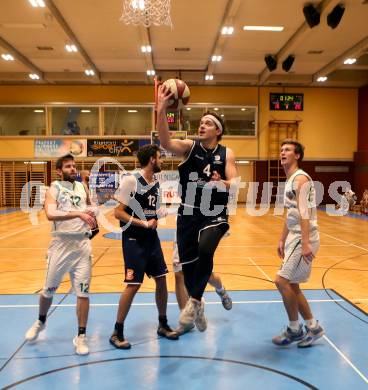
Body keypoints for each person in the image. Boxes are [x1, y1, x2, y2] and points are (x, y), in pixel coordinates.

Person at [156, 84, 238, 333]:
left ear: (218, 130)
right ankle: (199, 304)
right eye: (200, 122)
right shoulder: (190, 147)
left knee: (206, 249)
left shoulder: (226, 153)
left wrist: (221, 182)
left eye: (207, 123)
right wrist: (161, 111)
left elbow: (234, 184)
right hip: (188, 213)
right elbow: (166, 141)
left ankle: (193, 303)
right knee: (189, 270)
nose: (201, 126)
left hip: (214, 212)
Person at [25, 154, 97, 355]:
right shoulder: (54, 188)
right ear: (59, 171)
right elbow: (51, 214)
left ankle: (81, 336)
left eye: (74, 166)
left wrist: (93, 212)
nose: (73, 169)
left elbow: (90, 206)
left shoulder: (82, 186)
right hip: (61, 244)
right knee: (48, 290)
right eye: (68, 166)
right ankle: (41, 321)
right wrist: (79, 214)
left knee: (83, 292)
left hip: (82, 244)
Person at [110, 144, 179, 349]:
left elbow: (155, 212)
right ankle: (117, 331)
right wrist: (143, 223)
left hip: (151, 239)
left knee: (161, 280)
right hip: (133, 239)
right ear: (152, 159)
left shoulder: (155, 183)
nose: (163, 161)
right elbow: (118, 213)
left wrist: (177, 209)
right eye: (161, 157)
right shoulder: (131, 180)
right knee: (133, 284)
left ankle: (163, 324)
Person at [272, 140, 325, 347]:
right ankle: (313, 327)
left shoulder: (300, 179)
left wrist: (304, 243)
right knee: (292, 284)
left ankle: (295, 329)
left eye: (287, 150)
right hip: (295, 236)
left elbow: (304, 213)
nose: (282, 152)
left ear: (297, 156)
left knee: (281, 281)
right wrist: (282, 238)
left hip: (305, 237)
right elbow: (292, 214)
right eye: (282, 149)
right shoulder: (291, 179)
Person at [172, 234, 232, 334]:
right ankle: (187, 320)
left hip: (201, 234)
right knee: (179, 275)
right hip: (182, 233)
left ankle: (221, 291)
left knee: (208, 276)